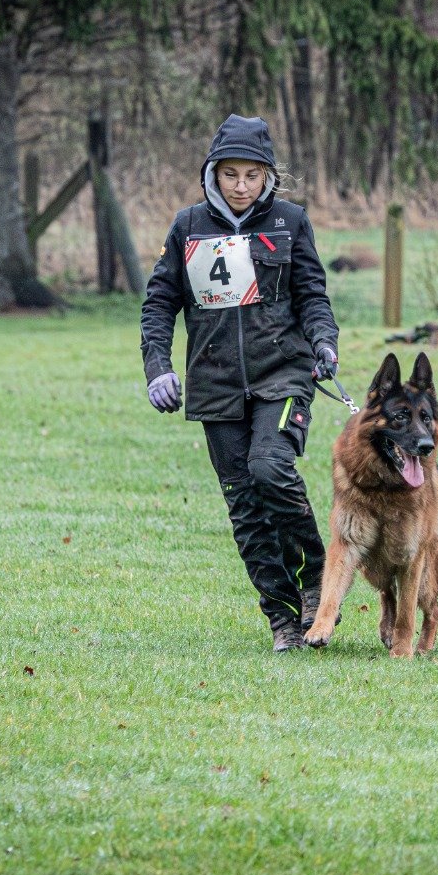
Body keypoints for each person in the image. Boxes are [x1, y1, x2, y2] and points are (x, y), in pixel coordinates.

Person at [140, 115, 341, 652]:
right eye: (230, 175)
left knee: (269, 468)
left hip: (284, 374)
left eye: (252, 175)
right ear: (213, 173)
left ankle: (316, 579)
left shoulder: (291, 222)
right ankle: (282, 620)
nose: (241, 186)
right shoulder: (187, 227)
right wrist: (159, 369)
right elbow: (158, 304)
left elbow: (313, 296)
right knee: (244, 505)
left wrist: (325, 343)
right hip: (215, 385)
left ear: (268, 175)